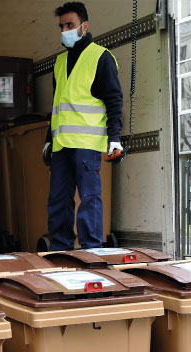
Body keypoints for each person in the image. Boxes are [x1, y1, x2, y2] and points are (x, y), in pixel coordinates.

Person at [43, 2, 123, 250]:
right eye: (61, 26)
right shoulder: (59, 62)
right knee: (58, 199)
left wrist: (115, 138)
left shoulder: (101, 57)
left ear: (84, 26)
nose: (64, 30)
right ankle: (61, 249)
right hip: (61, 144)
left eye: (70, 25)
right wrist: (48, 139)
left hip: (87, 144)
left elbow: (114, 100)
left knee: (89, 198)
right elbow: (57, 106)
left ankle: (91, 250)